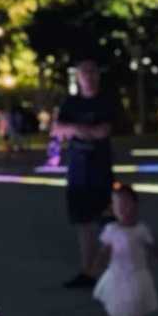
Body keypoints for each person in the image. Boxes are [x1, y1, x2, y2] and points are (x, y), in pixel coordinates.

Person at [55, 59, 115, 288]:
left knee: (106, 221)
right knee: (83, 222)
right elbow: (57, 129)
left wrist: (75, 130)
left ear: (98, 75)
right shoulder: (71, 103)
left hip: (101, 169)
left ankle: (103, 270)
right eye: (84, 73)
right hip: (78, 170)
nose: (89, 76)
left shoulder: (106, 101)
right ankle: (87, 270)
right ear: (78, 77)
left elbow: (103, 131)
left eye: (92, 72)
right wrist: (78, 129)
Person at [92, 183, 158, 316]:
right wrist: (97, 263)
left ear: (135, 205)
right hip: (117, 274)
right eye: (119, 206)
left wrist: (156, 253)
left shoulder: (141, 230)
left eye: (127, 205)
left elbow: (151, 245)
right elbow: (105, 249)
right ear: (113, 209)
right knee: (123, 309)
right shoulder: (111, 229)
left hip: (136, 275)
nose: (123, 210)